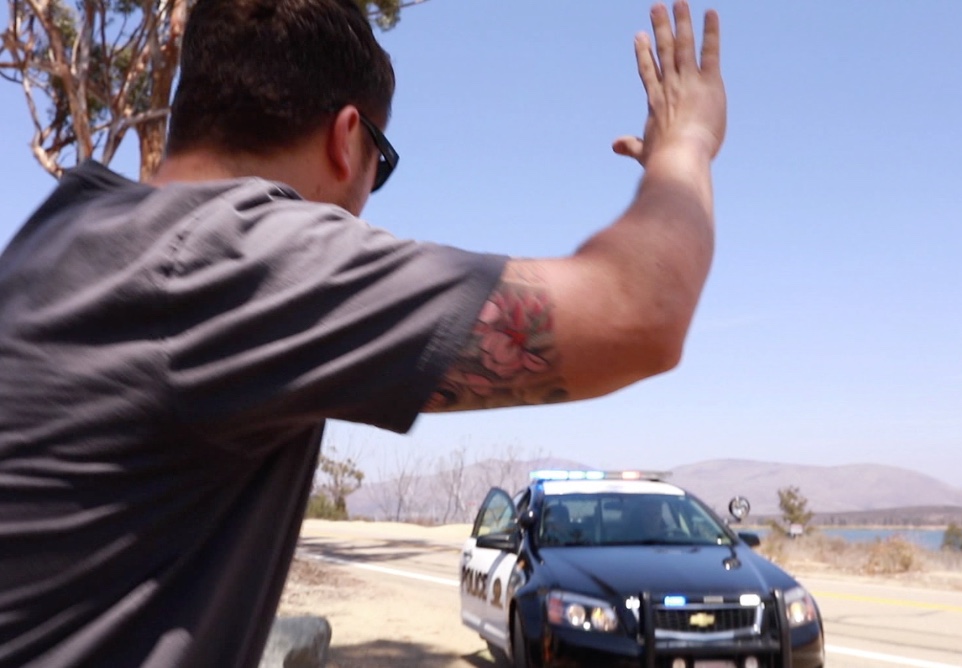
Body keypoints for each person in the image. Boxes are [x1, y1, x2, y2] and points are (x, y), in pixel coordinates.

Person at [0, 0, 725, 665]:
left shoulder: (64, 230)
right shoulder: (230, 257)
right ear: (348, 139)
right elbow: (640, 314)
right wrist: (683, 147)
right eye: (383, 165)